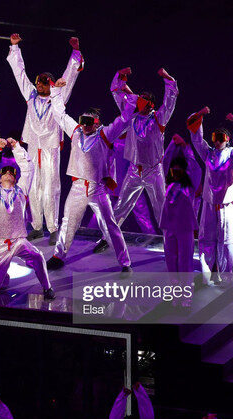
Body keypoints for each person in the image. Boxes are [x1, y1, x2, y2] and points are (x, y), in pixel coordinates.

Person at [45, 78, 132, 272]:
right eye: (82, 121)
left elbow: (124, 120)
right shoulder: (76, 132)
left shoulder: (105, 134)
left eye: (88, 122)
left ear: (96, 122)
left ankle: (125, 262)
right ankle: (59, 255)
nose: (84, 125)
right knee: (67, 223)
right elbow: (60, 114)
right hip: (77, 187)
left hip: (97, 189)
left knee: (110, 225)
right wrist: (56, 92)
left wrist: (132, 101)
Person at [6, 33, 83, 245]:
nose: (38, 83)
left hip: (49, 149)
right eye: (38, 80)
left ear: (51, 84)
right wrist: (14, 48)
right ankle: (37, 227)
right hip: (33, 147)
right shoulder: (30, 96)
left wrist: (75, 54)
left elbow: (69, 77)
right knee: (33, 187)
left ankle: (53, 228)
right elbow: (20, 74)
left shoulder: (57, 98)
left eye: (43, 81)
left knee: (51, 188)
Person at [95, 67, 178, 254]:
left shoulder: (159, 118)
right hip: (134, 171)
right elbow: (116, 92)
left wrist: (168, 79)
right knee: (121, 207)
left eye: (151, 101)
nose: (149, 103)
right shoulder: (130, 117)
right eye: (145, 99)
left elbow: (170, 100)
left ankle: (171, 244)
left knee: (161, 210)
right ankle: (107, 238)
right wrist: (121, 76)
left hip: (153, 171)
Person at [0, 138, 54, 300]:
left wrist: (17, 147)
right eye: (4, 171)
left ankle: (47, 287)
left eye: (11, 171)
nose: (8, 173)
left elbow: (28, 168)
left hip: (18, 240)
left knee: (38, 256)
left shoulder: (21, 191)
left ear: (15, 177)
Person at [187, 110, 233, 285]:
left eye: (220, 137)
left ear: (227, 139)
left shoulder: (232, 155)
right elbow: (197, 139)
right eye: (214, 137)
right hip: (209, 203)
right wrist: (200, 114)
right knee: (206, 238)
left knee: (226, 241)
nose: (216, 141)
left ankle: (226, 276)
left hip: (227, 205)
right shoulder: (208, 153)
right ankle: (206, 274)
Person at [159, 133, 202, 298]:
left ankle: (186, 297)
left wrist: (185, 147)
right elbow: (165, 160)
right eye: (173, 170)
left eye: (179, 170)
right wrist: (172, 143)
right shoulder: (167, 184)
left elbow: (195, 168)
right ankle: (175, 293)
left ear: (184, 171)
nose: (175, 172)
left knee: (185, 261)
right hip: (168, 227)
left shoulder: (190, 186)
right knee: (171, 260)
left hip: (185, 228)